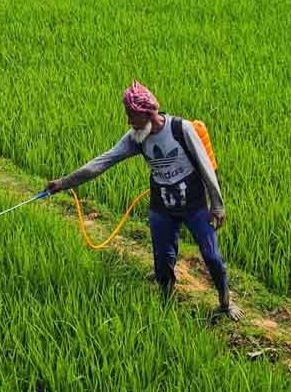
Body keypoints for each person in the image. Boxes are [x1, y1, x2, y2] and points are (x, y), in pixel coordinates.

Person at [46, 81, 244, 321]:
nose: (129, 122)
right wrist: (64, 183)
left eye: (132, 116)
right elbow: (103, 162)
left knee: (212, 257)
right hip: (162, 207)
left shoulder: (182, 129)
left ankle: (225, 302)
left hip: (194, 205)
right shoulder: (136, 138)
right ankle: (166, 300)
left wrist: (218, 204)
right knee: (162, 260)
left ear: (148, 113)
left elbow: (205, 167)